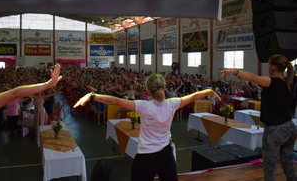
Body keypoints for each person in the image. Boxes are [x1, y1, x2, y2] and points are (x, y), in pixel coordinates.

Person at [74, 74, 220, 181]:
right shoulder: (173, 104)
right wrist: (207, 91)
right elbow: (194, 96)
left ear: (148, 90)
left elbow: (116, 101)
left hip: (146, 158)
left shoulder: (143, 106)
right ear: (163, 88)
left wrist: (92, 95)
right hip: (166, 156)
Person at [221, 54, 297, 181]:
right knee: (288, 165)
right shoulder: (290, 80)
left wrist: (234, 71)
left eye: (268, 65)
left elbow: (252, 77)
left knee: (270, 170)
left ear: (273, 67)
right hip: (290, 129)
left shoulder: (271, 81)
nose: (267, 68)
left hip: (275, 131)